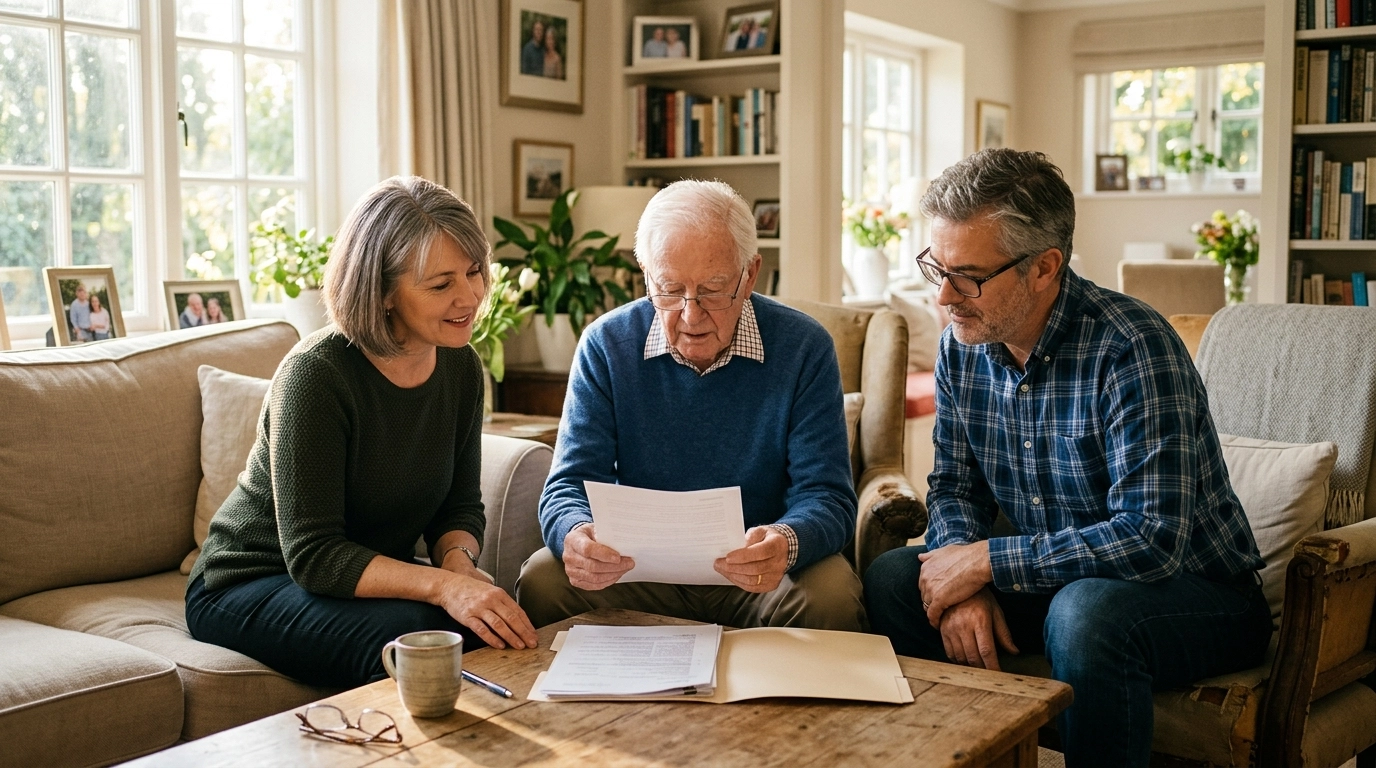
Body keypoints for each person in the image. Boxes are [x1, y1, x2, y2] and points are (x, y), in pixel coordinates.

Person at [862, 149, 1271, 768]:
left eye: (967, 276)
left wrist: (986, 561)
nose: (944, 296)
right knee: (896, 578)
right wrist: (960, 583)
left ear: (1045, 267)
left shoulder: (1133, 347)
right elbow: (954, 487)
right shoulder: (961, 347)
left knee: (1086, 615)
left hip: (1194, 593)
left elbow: (1151, 540)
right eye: (934, 267)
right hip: (1055, 582)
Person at [186, 176, 539, 689]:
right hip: (249, 582)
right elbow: (314, 555)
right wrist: (442, 588)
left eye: (474, 271)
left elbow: (459, 507)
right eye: (441, 285)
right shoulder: (316, 375)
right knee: (419, 642)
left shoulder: (461, 368)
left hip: (352, 577)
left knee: (488, 628)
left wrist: (459, 568)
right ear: (383, 292)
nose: (470, 297)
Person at [516, 179, 865, 633]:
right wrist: (575, 536)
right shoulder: (606, 345)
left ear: (750, 273)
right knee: (543, 578)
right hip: (638, 573)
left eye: (714, 289)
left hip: (760, 578)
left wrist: (785, 541)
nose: (691, 313)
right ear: (645, 275)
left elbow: (828, 496)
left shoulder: (804, 346)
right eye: (669, 289)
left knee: (832, 593)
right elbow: (567, 485)